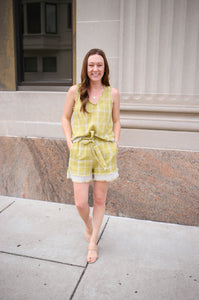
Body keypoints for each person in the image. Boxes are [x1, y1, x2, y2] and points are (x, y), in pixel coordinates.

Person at [62, 48, 121, 263]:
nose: (95, 69)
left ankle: (93, 241)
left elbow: (116, 121)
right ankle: (88, 225)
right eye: (91, 65)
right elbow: (65, 118)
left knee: (99, 199)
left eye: (99, 65)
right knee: (80, 202)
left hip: (104, 151)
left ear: (105, 68)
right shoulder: (74, 91)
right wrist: (70, 143)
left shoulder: (112, 93)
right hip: (81, 150)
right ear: (85, 68)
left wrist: (114, 143)